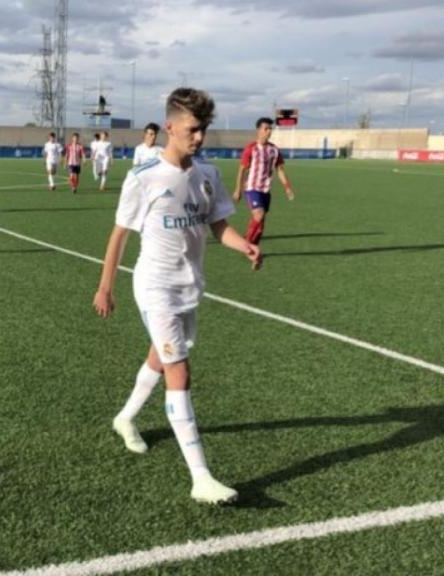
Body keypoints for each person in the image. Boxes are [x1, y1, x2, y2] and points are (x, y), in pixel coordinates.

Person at [92, 88, 261, 505]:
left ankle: (125, 418)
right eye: (191, 129)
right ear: (169, 127)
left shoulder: (208, 175)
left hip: (190, 286)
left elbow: (219, 226)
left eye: (203, 129)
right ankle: (201, 478)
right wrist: (105, 287)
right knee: (180, 372)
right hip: (155, 287)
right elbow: (119, 235)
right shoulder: (143, 177)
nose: (198, 137)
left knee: (160, 357)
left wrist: (245, 246)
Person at [233, 117, 295, 266]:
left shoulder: (274, 150)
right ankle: (247, 245)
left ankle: (252, 249)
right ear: (259, 130)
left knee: (260, 225)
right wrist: (238, 189)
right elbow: (242, 170)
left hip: (266, 190)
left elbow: (280, 170)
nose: (269, 131)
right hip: (252, 188)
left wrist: (287, 187)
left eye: (270, 129)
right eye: (266, 128)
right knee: (258, 215)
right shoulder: (251, 148)